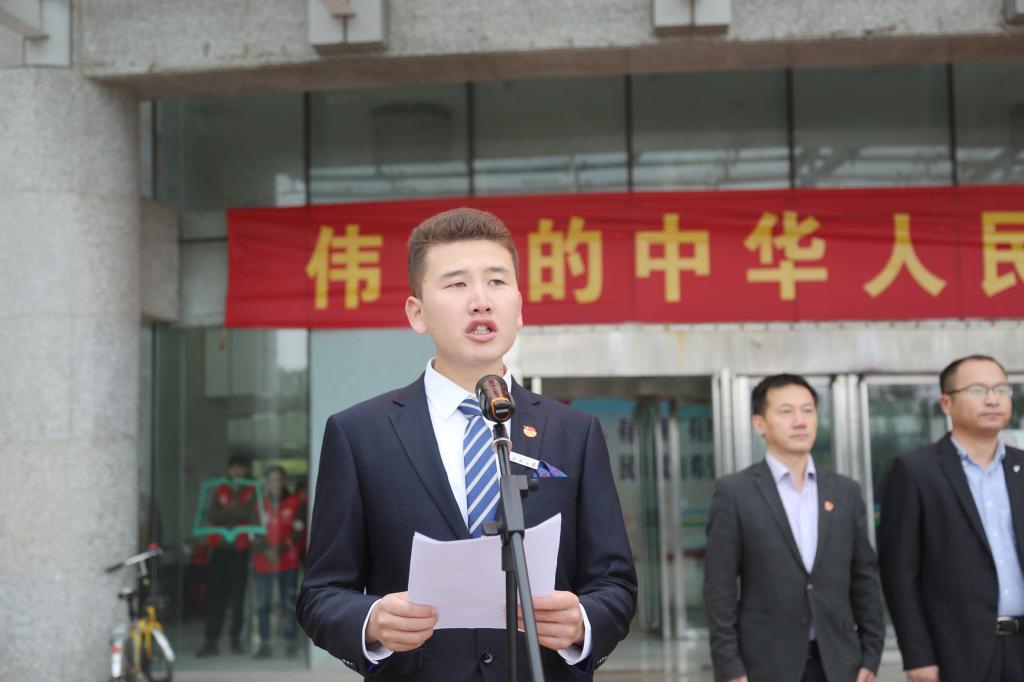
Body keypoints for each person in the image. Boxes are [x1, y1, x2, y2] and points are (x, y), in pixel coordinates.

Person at [296, 207, 637, 681]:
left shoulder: (574, 432)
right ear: (417, 313)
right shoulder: (359, 434)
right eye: (456, 284)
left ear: (520, 307)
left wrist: (582, 622)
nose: (480, 301)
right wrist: (371, 622)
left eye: (496, 281)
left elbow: (615, 584)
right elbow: (320, 594)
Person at [703, 374, 884, 682]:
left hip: (839, 663)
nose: (800, 421)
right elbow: (719, 588)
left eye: (808, 410)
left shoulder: (844, 491)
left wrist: (871, 653)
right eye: (786, 411)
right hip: (765, 665)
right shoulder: (735, 492)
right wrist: (729, 667)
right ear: (760, 424)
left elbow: (864, 576)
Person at [879, 355, 1024, 682]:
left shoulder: (1021, 467)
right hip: (958, 653)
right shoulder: (916, 471)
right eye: (978, 390)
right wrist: (917, 655)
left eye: (1001, 389)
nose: (992, 399)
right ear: (946, 403)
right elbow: (900, 573)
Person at [196, 454, 258, 657]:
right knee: (216, 597)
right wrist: (234, 513)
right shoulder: (219, 488)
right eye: (234, 468)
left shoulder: (251, 490)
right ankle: (211, 641)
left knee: (239, 598)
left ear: (246, 471)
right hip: (220, 550)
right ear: (229, 470)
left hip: (240, 551)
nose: (237, 472)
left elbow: (249, 514)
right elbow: (212, 514)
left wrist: (228, 513)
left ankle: (235, 641)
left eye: (241, 468)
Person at [252, 465, 304, 658]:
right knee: (263, 604)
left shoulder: (295, 502)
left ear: (284, 482)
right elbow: (253, 531)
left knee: (288, 603)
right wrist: (267, 550)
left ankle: (290, 643)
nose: (274, 484)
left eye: (278, 480)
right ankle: (265, 645)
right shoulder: (258, 504)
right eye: (271, 480)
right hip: (263, 563)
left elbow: (298, 530)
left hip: (287, 562)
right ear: (266, 482)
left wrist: (278, 550)